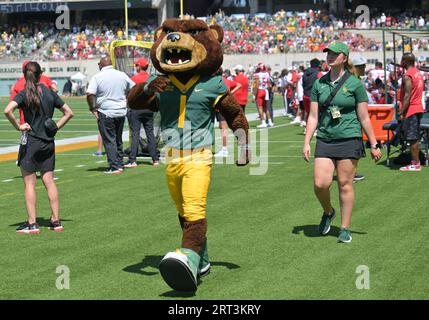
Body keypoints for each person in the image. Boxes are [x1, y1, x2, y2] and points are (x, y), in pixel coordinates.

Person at [303, 42, 382, 243]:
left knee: (345, 185)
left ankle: (345, 228)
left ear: (344, 58)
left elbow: (364, 117)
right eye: (328, 53)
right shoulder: (320, 84)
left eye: (334, 54)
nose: (329, 56)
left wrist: (374, 143)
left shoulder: (355, 84)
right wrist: (306, 142)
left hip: (349, 139)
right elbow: (313, 116)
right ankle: (329, 212)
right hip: (325, 139)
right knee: (320, 184)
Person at [4, 61, 74, 234]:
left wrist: (18, 126)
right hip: (48, 142)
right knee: (49, 181)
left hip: (31, 142)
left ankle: (32, 223)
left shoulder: (24, 93)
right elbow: (69, 113)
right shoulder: (49, 92)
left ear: (24, 75)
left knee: (29, 183)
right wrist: (56, 126)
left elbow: (7, 110)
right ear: (40, 74)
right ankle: (56, 221)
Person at [86, 56, 135, 174]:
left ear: (100, 65)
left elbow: (90, 94)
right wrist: (126, 99)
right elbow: (134, 87)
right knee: (118, 139)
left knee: (109, 140)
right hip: (121, 111)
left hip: (106, 111)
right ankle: (119, 164)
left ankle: (114, 166)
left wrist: (92, 108)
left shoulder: (98, 77)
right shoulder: (121, 74)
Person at [125, 57, 159, 167]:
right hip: (149, 109)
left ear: (139, 66)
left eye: (136, 65)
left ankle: (133, 160)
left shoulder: (134, 78)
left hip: (136, 109)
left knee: (135, 134)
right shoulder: (151, 78)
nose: (136, 67)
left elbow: (129, 94)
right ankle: (155, 159)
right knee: (150, 134)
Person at [397, 52, 425, 171]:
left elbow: (407, 95)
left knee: (412, 137)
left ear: (405, 62)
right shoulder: (418, 72)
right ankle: (416, 162)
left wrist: (400, 112)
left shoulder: (407, 75)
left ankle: (415, 163)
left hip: (411, 109)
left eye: (402, 60)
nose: (401, 62)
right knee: (415, 137)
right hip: (418, 107)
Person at [10, 60, 58, 125]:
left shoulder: (18, 83)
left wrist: (18, 125)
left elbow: (10, 106)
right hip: (45, 123)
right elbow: (55, 89)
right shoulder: (44, 78)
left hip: (26, 124)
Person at [253, 62, 273, 128]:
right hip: (265, 91)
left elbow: (257, 84)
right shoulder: (267, 73)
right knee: (266, 108)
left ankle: (263, 122)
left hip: (260, 91)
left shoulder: (257, 74)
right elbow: (269, 85)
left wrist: (254, 95)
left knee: (260, 108)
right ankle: (270, 122)